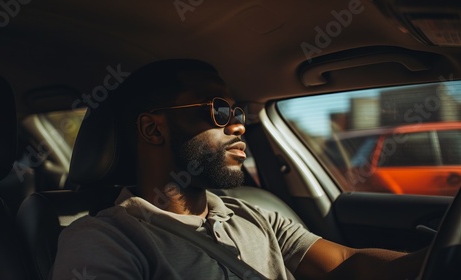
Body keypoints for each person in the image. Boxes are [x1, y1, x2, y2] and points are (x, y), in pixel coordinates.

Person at [51, 59, 426, 280]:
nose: (238, 124)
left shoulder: (253, 215)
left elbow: (347, 262)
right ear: (153, 129)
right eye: (218, 110)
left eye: (238, 111)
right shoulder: (105, 238)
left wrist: (440, 258)